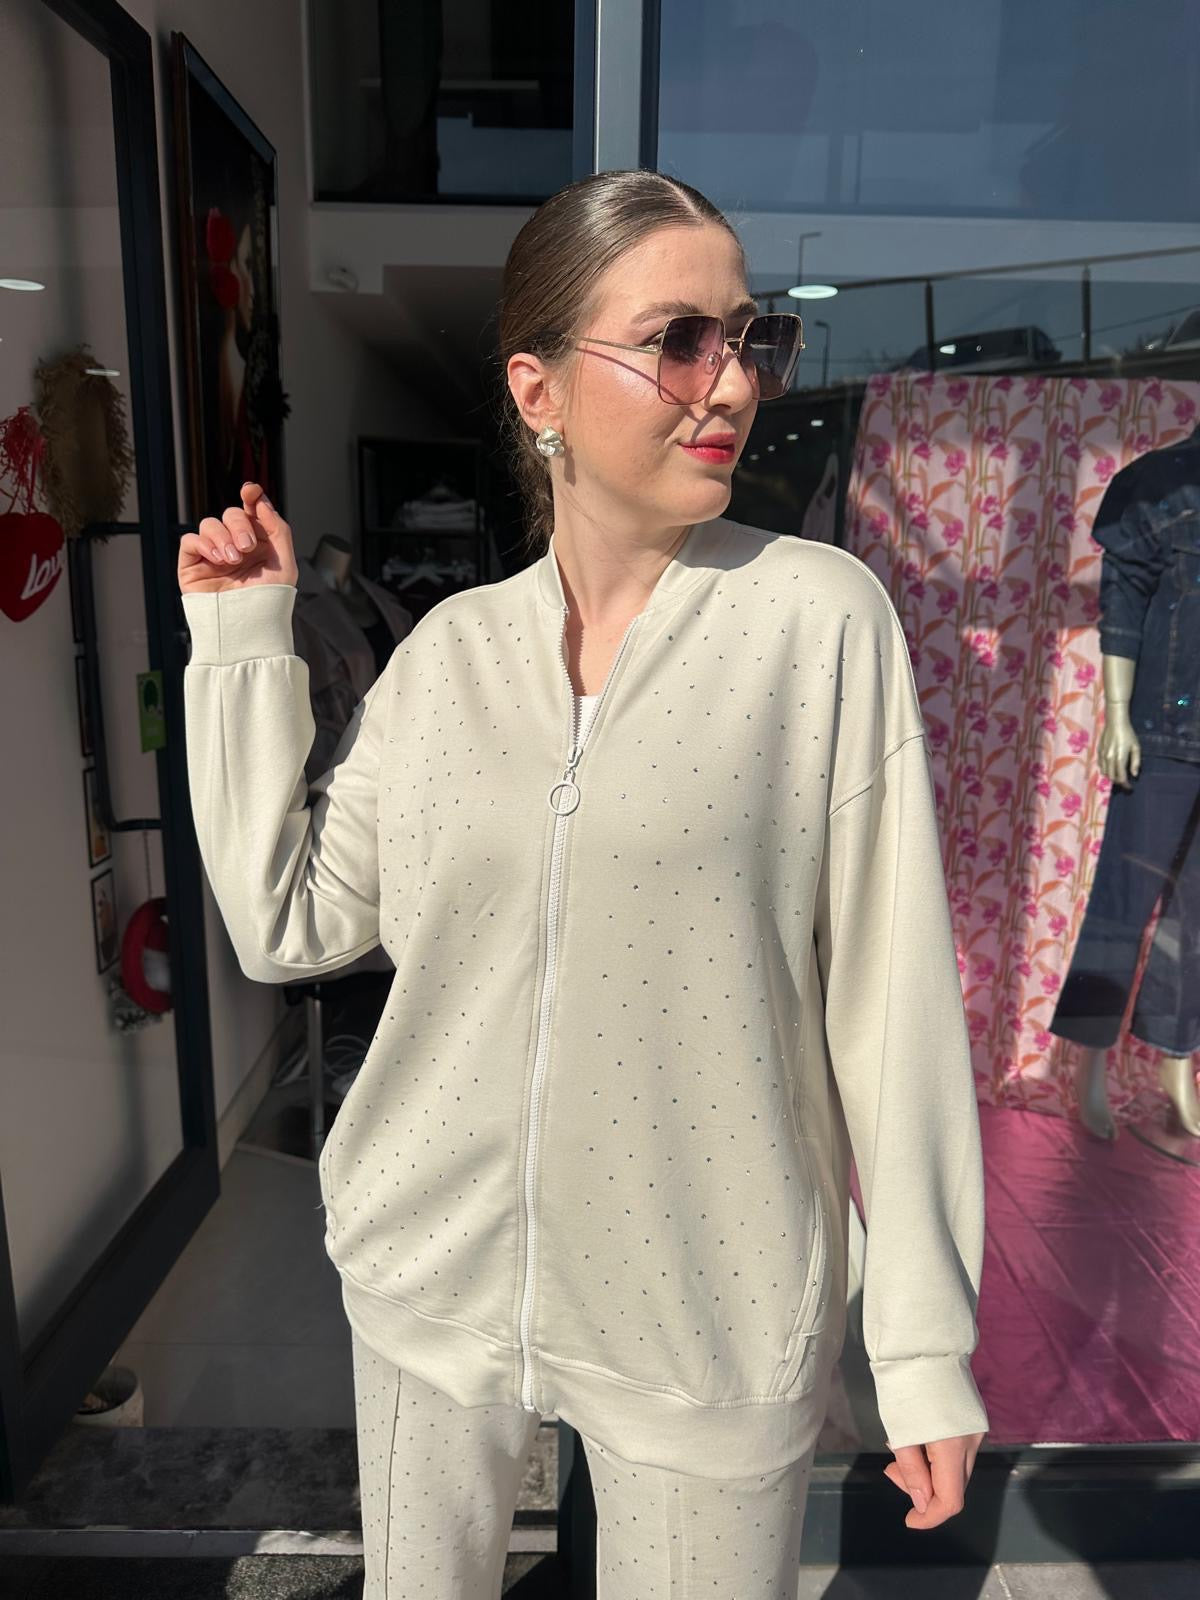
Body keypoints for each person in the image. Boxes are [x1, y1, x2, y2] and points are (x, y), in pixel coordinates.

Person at [177, 168, 988, 1599]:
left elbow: (893, 1002)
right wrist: (243, 648)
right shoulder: (448, 657)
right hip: (427, 1280)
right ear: (538, 389)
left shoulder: (816, 623)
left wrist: (920, 1345)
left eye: (751, 337)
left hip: (706, 1311)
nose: (732, 381)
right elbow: (286, 922)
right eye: (680, 340)